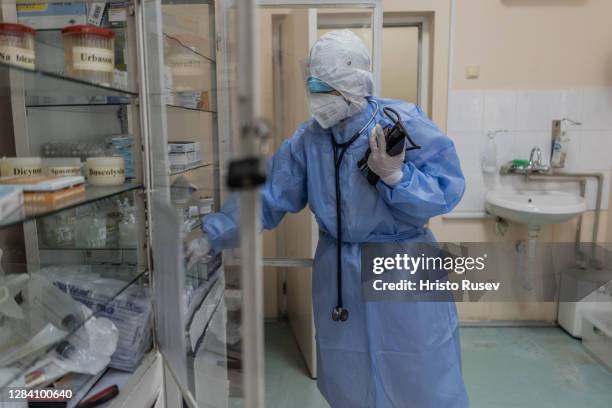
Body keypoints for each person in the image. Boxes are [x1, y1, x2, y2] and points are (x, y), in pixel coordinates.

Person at [190, 29, 469, 407]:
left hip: (403, 264)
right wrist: (214, 233)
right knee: (350, 374)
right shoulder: (309, 141)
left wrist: (396, 177)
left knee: (419, 368)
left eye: (326, 87)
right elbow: (268, 196)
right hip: (340, 272)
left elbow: (445, 191)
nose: (318, 98)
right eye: (314, 86)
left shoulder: (400, 123)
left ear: (354, 84)